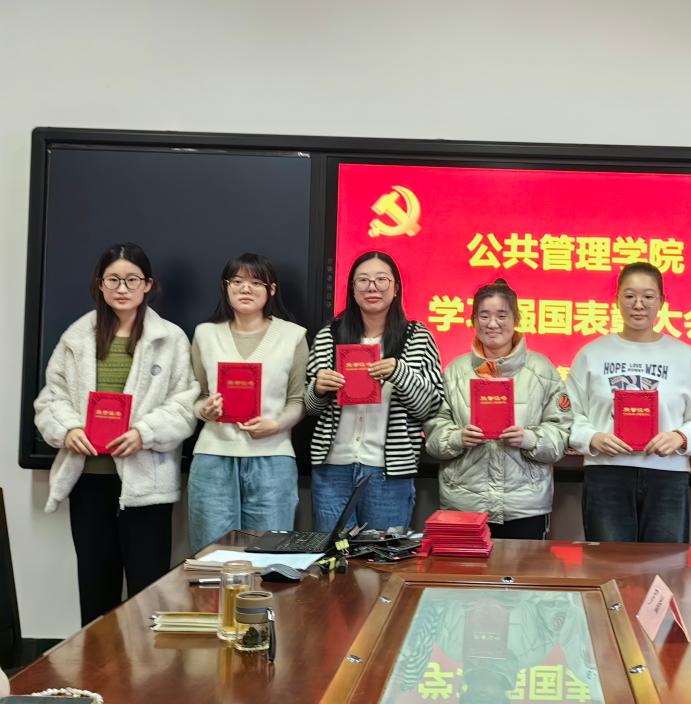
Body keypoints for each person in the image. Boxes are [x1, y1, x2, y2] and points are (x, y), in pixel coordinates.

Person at [34, 243, 198, 625]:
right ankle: (94, 664)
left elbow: (184, 405)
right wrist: (68, 429)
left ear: (148, 285)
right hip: (89, 479)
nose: (122, 288)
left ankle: (145, 667)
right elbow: (50, 399)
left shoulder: (170, 338)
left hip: (146, 484)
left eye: (132, 280)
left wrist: (145, 432)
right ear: (100, 284)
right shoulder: (77, 338)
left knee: (147, 593)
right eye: (113, 280)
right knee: (95, 590)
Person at [567, 261, 691, 543]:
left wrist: (680, 437)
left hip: (667, 474)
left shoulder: (685, 355)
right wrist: (593, 438)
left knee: (666, 563)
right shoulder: (591, 354)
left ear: (662, 301)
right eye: (630, 295)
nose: (638, 304)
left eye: (648, 296)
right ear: (617, 299)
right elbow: (569, 414)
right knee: (608, 562)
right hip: (606, 473)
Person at [305, 251, 444, 532]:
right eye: (363, 280)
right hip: (333, 467)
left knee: (382, 556)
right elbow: (310, 407)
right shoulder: (328, 335)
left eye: (382, 280)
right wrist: (318, 389)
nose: (372, 287)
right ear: (352, 288)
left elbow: (429, 407)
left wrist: (399, 373)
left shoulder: (417, 337)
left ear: (396, 288)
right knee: (333, 555)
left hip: (389, 471)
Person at [425, 279, 571, 539]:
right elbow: (434, 434)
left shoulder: (542, 370)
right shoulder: (455, 372)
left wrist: (529, 438)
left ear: (516, 319)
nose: (492, 323)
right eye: (484, 316)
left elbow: (562, 434)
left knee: (524, 568)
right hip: (464, 504)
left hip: (524, 507)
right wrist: (457, 438)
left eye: (502, 315)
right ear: (473, 320)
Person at [188, 253, 309, 552]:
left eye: (256, 282)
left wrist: (276, 425)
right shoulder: (205, 334)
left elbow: (298, 400)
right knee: (211, 555)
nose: (245, 288)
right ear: (226, 287)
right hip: (213, 457)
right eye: (237, 281)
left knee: (269, 554)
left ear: (271, 289)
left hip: (273, 458)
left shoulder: (293, 336)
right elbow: (196, 396)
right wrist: (206, 411)